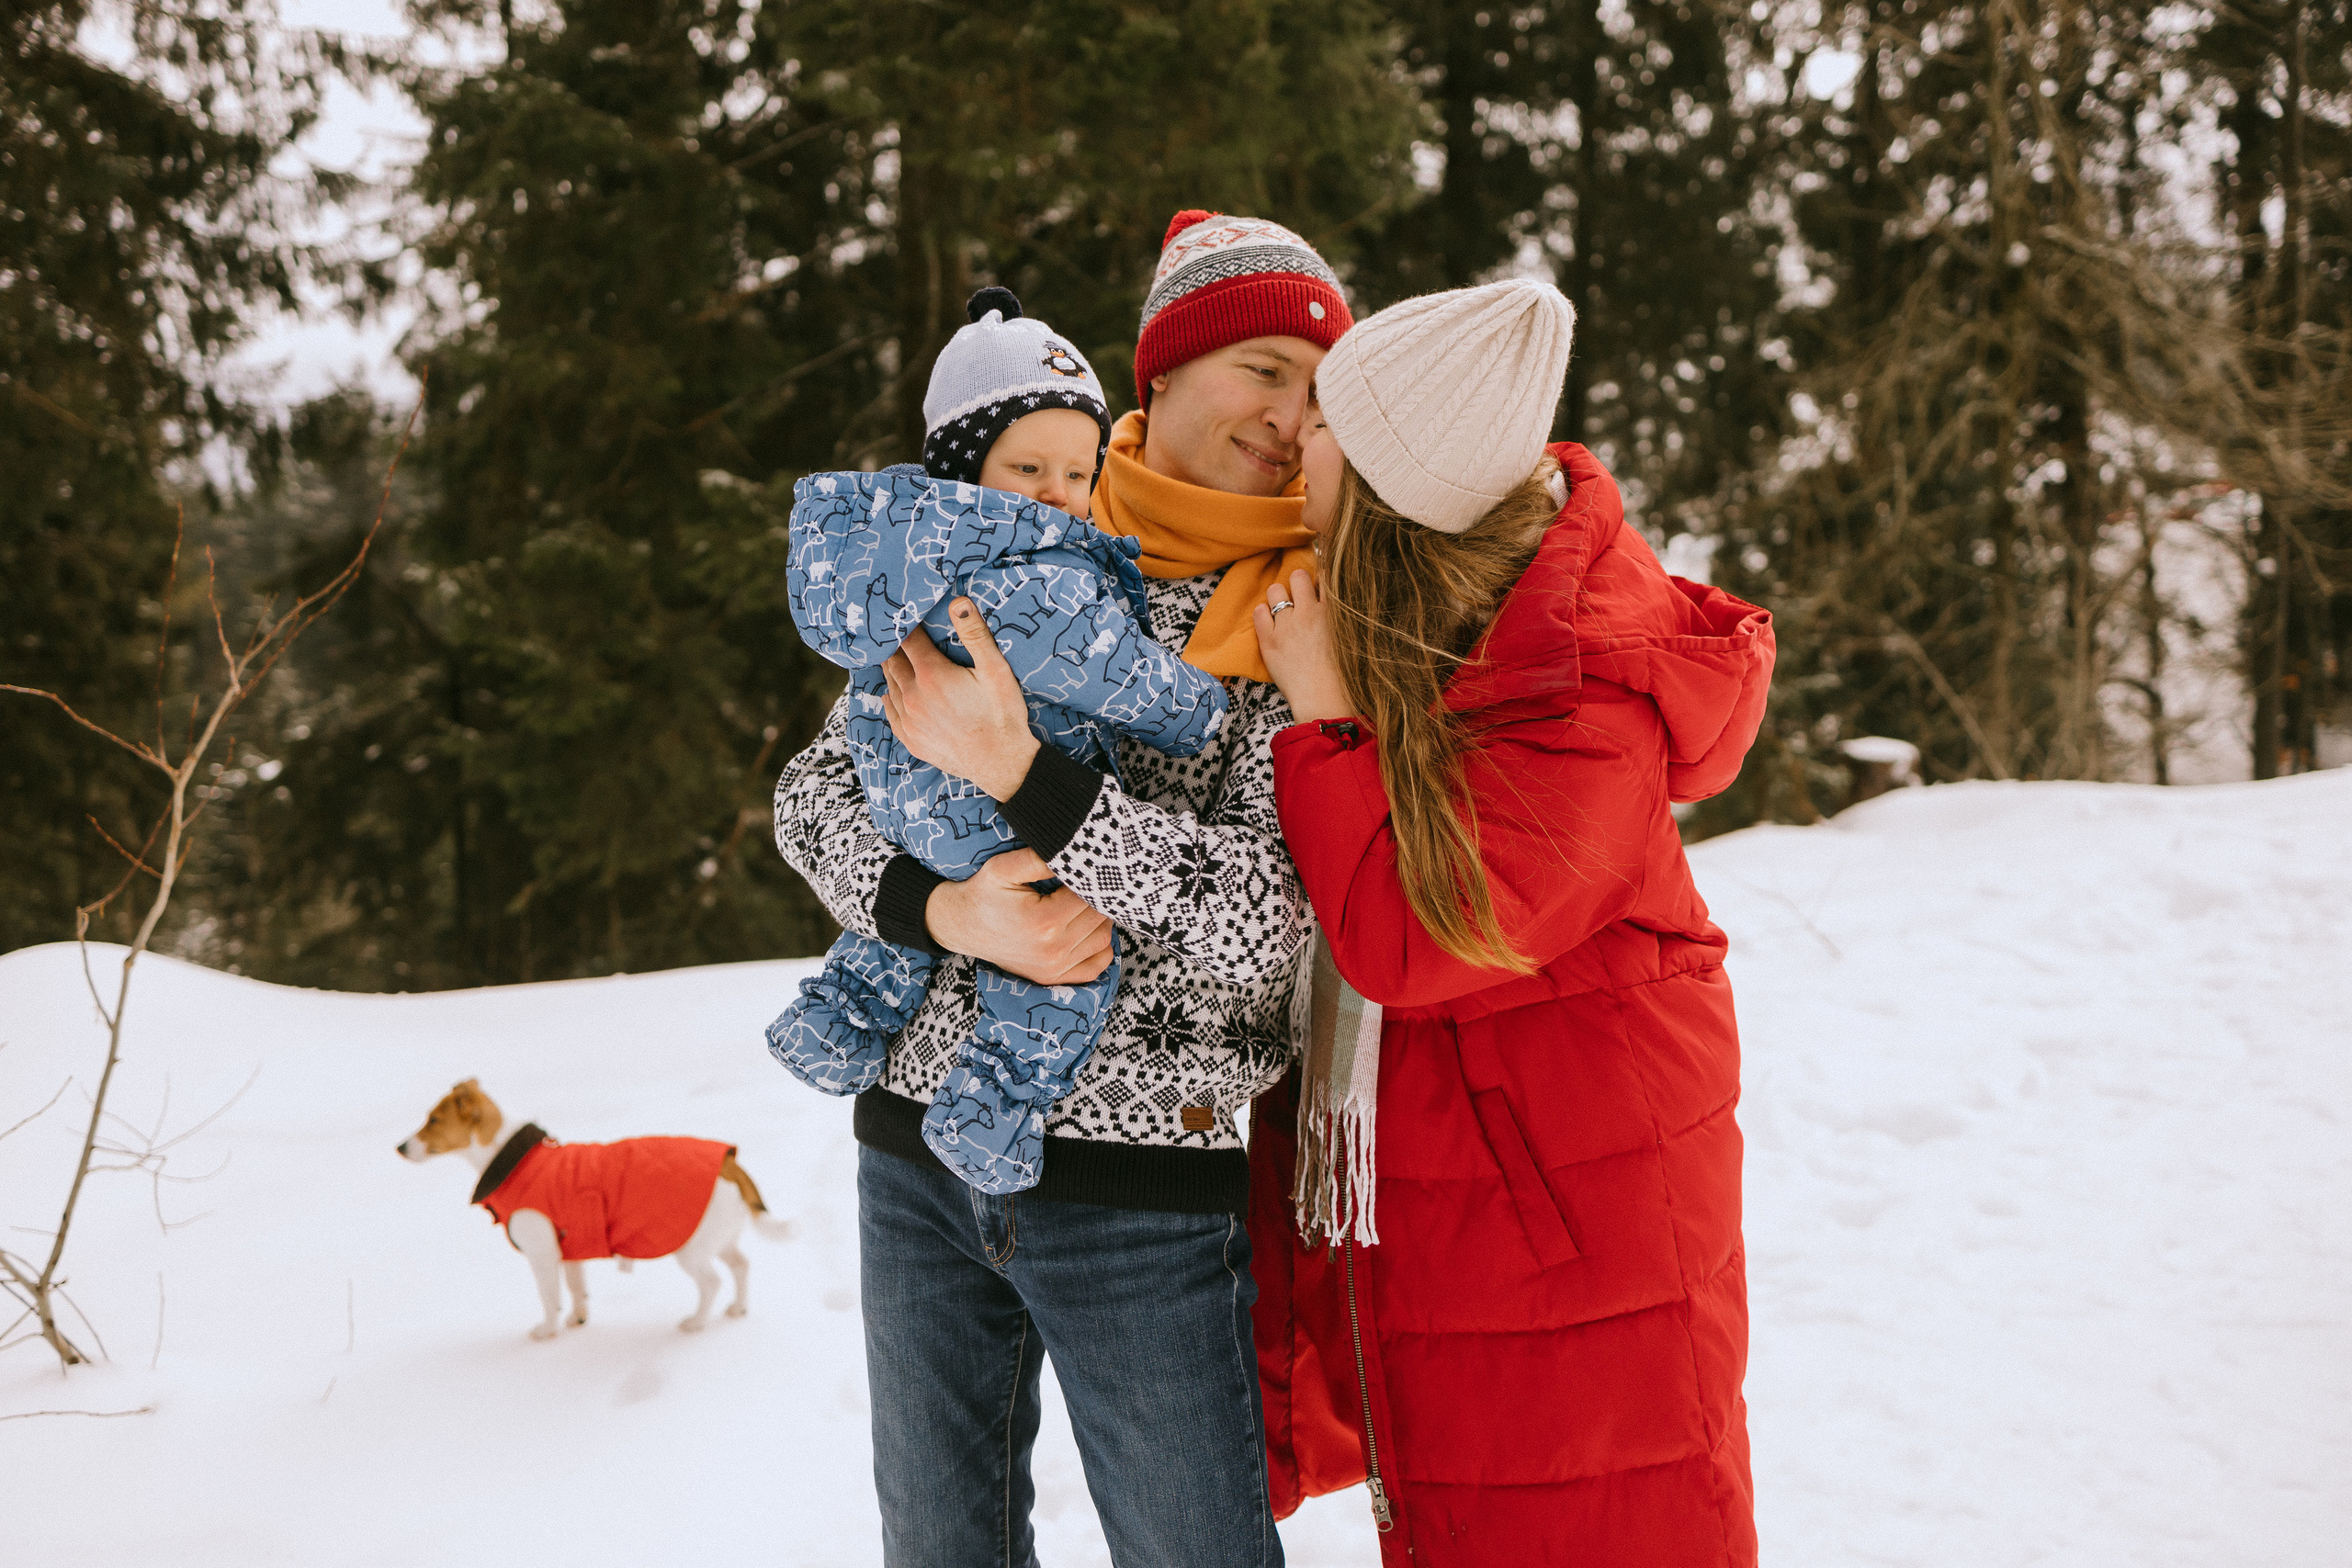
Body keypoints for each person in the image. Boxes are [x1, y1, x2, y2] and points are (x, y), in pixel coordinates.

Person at [771, 211, 1351, 1566]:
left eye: (1317, 394)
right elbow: (814, 795)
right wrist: (937, 908)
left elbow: (1266, 928)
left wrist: (1033, 776)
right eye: (1263, 368)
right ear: (1164, 371)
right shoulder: (994, 531)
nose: (1288, 414)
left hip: (1146, 1192)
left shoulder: (1302, 611)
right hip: (914, 1153)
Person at [1248, 276, 1772, 1566]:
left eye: (1320, 416)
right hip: (1503, 1209)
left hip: (1574, 1231)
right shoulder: (1475, 632)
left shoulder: (1582, 686)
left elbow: (1420, 939)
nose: (1290, 436)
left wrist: (1324, 721)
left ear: (1384, 484)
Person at [766, 287, 1230, 1198]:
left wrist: (924, 907)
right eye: (1029, 470)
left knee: (888, 949)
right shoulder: (1026, 572)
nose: (1059, 497)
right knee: (1062, 980)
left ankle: (832, 1024)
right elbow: (1113, 672)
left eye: (1077, 472)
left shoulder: (899, 564)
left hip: (907, 806)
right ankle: (991, 1117)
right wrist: (1194, 708)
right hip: (994, 825)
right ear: (963, 467)